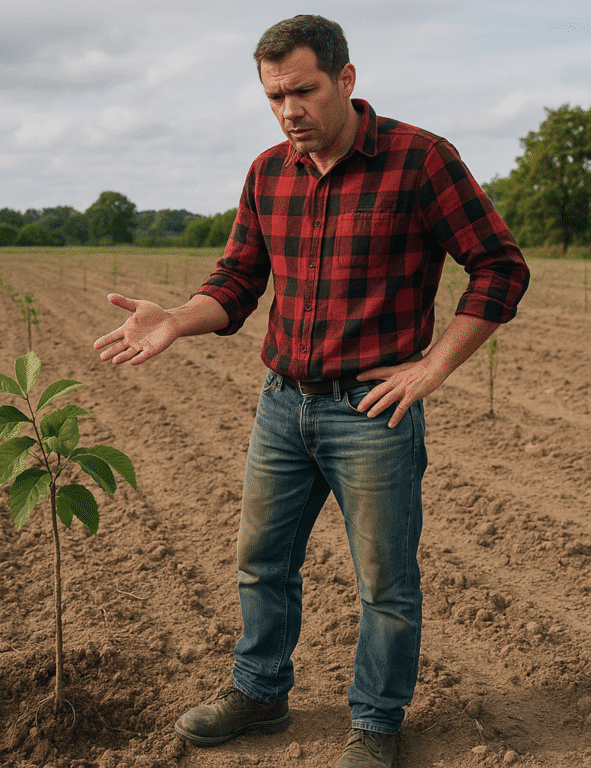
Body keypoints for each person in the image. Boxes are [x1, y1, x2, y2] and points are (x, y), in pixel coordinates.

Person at [94, 14, 529, 768]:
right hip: (282, 404)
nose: (288, 110)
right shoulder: (268, 173)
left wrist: (434, 367)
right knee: (261, 560)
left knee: (385, 583)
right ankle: (260, 691)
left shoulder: (421, 161)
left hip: (373, 410)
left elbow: (499, 265)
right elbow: (236, 282)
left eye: (302, 90)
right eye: (272, 96)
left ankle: (377, 721)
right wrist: (177, 321)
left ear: (347, 80)